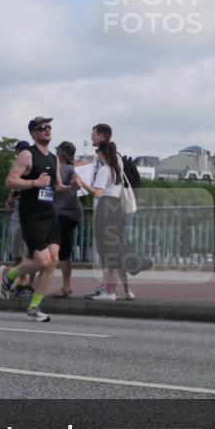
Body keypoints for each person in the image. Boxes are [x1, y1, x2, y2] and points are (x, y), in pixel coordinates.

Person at [0, 117, 78, 322]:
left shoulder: (53, 158)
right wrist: (35, 182)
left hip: (49, 214)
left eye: (49, 127)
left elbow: (57, 186)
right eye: (41, 128)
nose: (46, 130)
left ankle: (34, 307)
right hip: (31, 214)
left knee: (52, 262)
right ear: (33, 133)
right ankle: (10, 275)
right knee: (42, 261)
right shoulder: (27, 154)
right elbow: (10, 181)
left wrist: (71, 189)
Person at [72, 123, 148, 302]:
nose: (91, 137)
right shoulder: (116, 166)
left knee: (109, 253)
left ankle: (109, 291)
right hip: (117, 208)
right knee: (116, 249)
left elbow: (98, 191)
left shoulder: (105, 168)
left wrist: (82, 184)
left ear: (101, 138)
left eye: (93, 134)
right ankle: (122, 289)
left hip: (106, 209)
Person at [51, 140, 82, 298]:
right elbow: (76, 179)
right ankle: (66, 285)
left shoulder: (62, 169)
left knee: (57, 249)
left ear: (60, 154)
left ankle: (66, 286)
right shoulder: (72, 168)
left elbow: (59, 186)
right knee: (65, 249)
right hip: (73, 213)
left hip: (62, 213)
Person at [6, 140, 34, 297]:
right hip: (19, 210)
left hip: (30, 210)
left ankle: (27, 282)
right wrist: (11, 197)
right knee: (19, 248)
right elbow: (14, 187)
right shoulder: (18, 165)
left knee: (30, 249)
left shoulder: (32, 164)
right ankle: (24, 281)